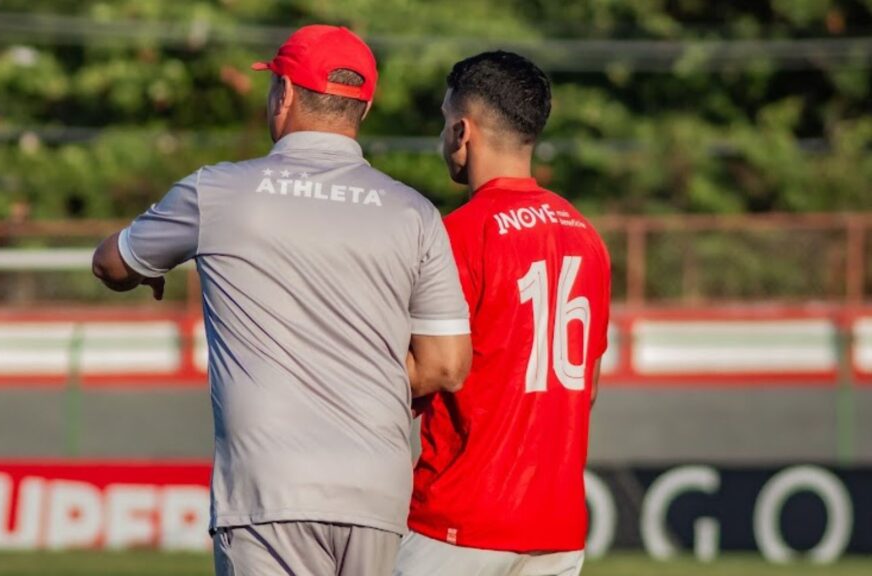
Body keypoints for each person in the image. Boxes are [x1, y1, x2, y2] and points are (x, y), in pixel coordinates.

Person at [91, 25, 472, 576]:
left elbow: (111, 262)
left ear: (285, 94)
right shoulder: (416, 213)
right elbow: (445, 364)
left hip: (267, 488)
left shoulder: (216, 192)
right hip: (376, 489)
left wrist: (143, 274)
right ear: (361, 111)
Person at [395, 51, 612, 576]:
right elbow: (589, 387)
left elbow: (427, 371)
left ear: (462, 132)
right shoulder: (588, 237)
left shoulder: (461, 235)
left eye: (445, 123)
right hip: (556, 530)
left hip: (459, 522)